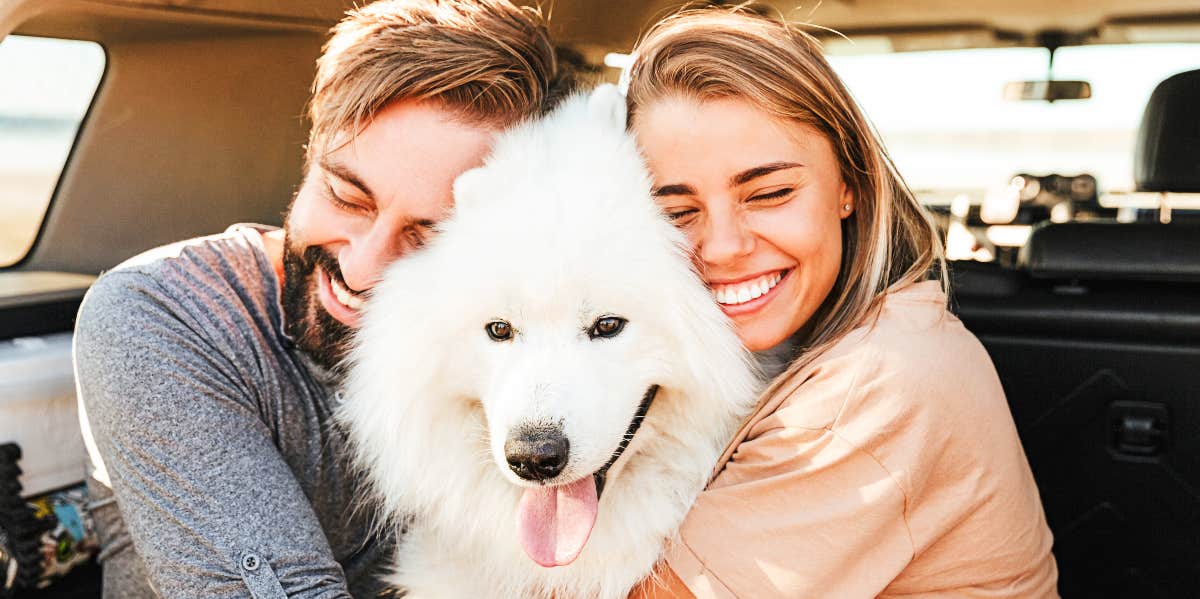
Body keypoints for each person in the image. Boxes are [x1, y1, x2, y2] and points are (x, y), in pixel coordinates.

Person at [72, 1, 558, 597]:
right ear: (311, 155)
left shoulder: (524, 352)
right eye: (347, 198)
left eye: (431, 235)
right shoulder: (163, 314)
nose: (363, 265)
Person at [623, 8, 1059, 598]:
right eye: (676, 212)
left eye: (771, 193)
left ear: (848, 185)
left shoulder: (878, 378)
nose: (723, 248)